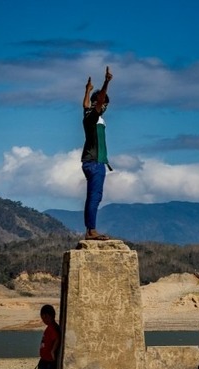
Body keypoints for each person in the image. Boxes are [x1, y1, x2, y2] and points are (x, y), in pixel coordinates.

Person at [81, 66, 113, 241]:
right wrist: (106, 82)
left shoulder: (87, 114)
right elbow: (98, 102)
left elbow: (85, 104)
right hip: (95, 163)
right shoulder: (93, 116)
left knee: (91, 197)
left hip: (88, 162)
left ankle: (90, 229)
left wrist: (87, 90)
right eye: (104, 104)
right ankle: (91, 231)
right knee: (95, 197)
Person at [22, 304, 61, 369]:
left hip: (48, 360)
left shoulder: (53, 328)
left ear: (48, 316)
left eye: (43, 318)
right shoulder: (50, 327)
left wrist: (53, 351)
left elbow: (57, 339)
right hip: (45, 360)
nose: (43, 320)